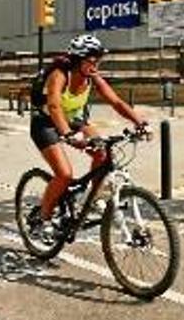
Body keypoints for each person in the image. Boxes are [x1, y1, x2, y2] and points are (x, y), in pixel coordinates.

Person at [29, 34, 150, 240]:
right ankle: (44, 218)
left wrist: (140, 122)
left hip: (74, 121)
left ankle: (92, 198)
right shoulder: (60, 75)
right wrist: (67, 135)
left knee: (102, 152)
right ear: (78, 60)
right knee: (64, 174)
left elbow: (116, 102)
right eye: (91, 60)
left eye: (98, 60)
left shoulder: (91, 77)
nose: (96, 65)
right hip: (46, 124)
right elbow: (54, 106)